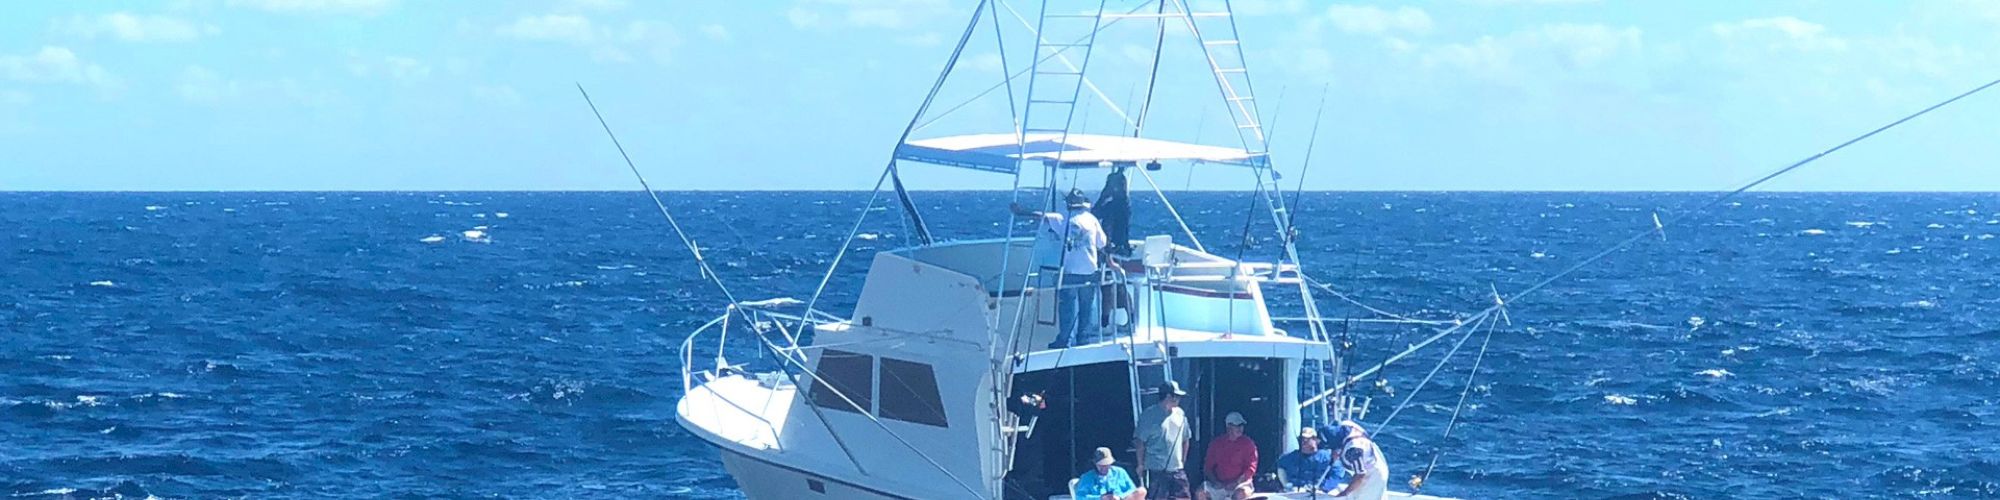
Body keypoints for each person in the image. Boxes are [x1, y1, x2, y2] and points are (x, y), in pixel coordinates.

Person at [1011, 188, 1109, 349]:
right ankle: (1083, 338)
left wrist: (1020, 212)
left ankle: (1065, 340)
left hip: (1070, 271)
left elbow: (1039, 215)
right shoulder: (1092, 219)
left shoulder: (1062, 218)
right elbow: (1102, 243)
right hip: (1090, 271)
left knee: (1068, 307)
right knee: (1086, 306)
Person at [1133, 382, 1191, 499]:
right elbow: (1140, 442)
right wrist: (1140, 465)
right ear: (1168, 396)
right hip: (1156, 470)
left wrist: (1182, 462)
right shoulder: (1148, 415)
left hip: (1177, 470)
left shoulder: (1180, 414)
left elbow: (1186, 438)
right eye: (1177, 396)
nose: (1179, 399)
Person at [1199, 412, 1258, 500]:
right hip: (1219, 484)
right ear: (1228, 427)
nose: (1240, 428)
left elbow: (1251, 469)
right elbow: (1208, 467)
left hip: (1241, 484)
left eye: (1241, 425)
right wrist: (1215, 482)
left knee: (1240, 494)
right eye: (1236, 425)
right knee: (1201, 493)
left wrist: (1236, 483)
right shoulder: (1216, 444)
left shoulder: (1248, 444)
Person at [1325, 420, 1389, 500]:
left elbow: (1360, 475)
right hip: (1371, 456)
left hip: (1373, 474)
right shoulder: (1346, 425)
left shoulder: (1353, 450)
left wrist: (1345, 492)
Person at [1276, 426, 1341, 493]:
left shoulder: (1327, 457)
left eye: (1306, 439)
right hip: (1294, 493)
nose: (1303, 442)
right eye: (1301, 439)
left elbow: (1336, 475)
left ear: (1315, 440)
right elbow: (1280, 467)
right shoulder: (1289, 457)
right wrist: (1286, 485)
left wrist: (1324, 489)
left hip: (1319, 493)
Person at [1076, 447, 1147, 500]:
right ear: (1095, 464)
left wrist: (1119, 497)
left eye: (1107, 465)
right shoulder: (1087, 477)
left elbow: (1132, 489)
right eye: (1101, 465)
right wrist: (1101, 498)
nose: (1104, 468)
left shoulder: (1120, 472)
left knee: (1141, 491)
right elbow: (1080, 497)